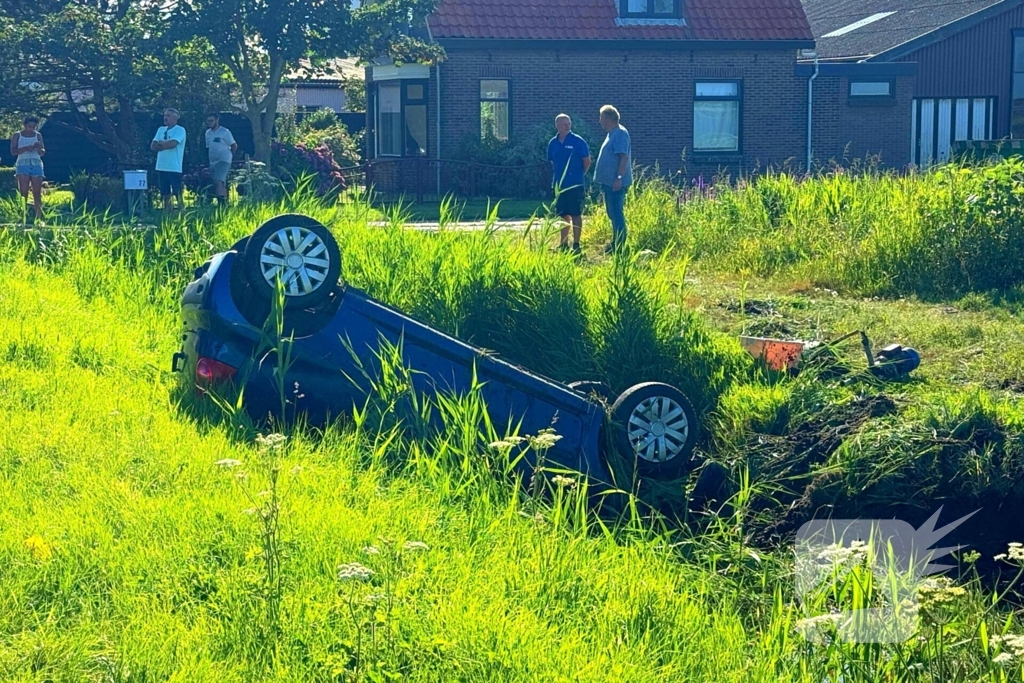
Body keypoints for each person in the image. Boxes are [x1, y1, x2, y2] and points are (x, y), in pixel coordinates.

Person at [546, 114, 591, 256]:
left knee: (576, 213)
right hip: (560, 185)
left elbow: (587, 161)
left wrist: (578, 175)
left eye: (569, 123)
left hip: (575, 185)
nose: (567, 125)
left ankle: (576, 244)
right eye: (564, 123)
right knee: (562, 215)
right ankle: (563, 243)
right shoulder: (553, 143)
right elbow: (553, 162)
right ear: (557, 125)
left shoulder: (578, 141)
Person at [594, 105, 632, 254]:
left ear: (609, 119)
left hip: (616, 182)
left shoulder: (620, 134)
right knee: (612, 212)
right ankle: (615, 241)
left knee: (616, 212)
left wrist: (618, 178)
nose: (600, 121)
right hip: (608, 182)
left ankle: (620, 246)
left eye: (601, 118)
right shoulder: (612, 133)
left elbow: (623, 157)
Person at [10, 116, 46, 225]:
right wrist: (27, 148)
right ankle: (23, 216)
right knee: (23, 192)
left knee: (37, 192)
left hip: (36, 163)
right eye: (29, 126)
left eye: (33, 127)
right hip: (23, 163)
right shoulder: (17, 135)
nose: (31, 129)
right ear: (24, 125)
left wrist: (39, 148)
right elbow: (13, 151)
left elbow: (43, 152)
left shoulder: (38, 135)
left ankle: (38, 218)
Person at [150, 108, 187, 212]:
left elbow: (173, 144)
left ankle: (181, 211)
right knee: (165, 192)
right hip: (161, 166)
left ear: (175, 117)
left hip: (174, 166)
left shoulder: (180, 130)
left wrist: (160, 144)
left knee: (177, 191)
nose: (165, 118)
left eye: (168, 116)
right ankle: (167, 213)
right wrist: (163, 145)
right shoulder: (161, 129)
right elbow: (153, 145)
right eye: (165, 115)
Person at [204, 113, 237, 205]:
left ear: (217, 120)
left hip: (224, 160)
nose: (209, 123)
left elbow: (234, 145)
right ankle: (225, 202)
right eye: (208, 121)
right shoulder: (208, 133)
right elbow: (209, 147)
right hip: (213, 161)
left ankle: (221, 204)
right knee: (220, 183)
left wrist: (230, 157)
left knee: (218, 180)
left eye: (211, 121)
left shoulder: (224, 132)